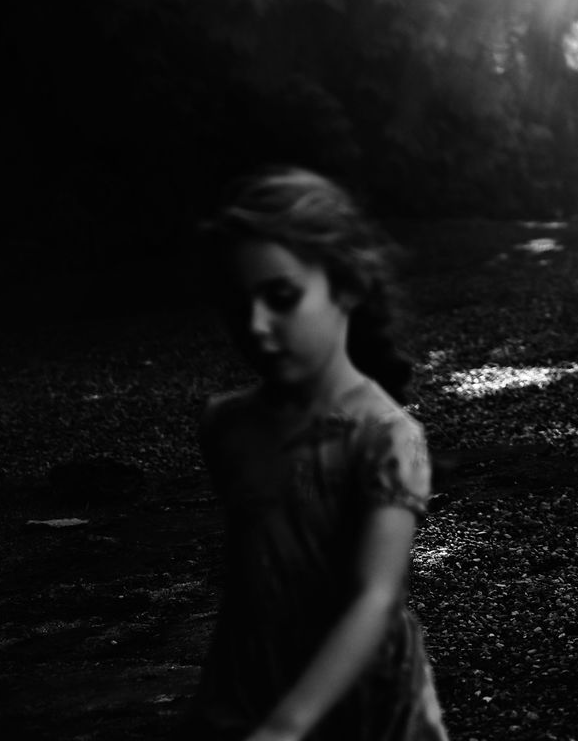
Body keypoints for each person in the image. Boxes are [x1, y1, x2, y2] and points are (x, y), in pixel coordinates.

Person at [188, 169, 448, 741]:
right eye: (239, 304)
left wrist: (289, 724)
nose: (256, 326)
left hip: (365, 706)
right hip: (248, 690)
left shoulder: (386, 437)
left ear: (347, 285)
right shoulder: (227, 427)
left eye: (281, 298)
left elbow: (376, 596)